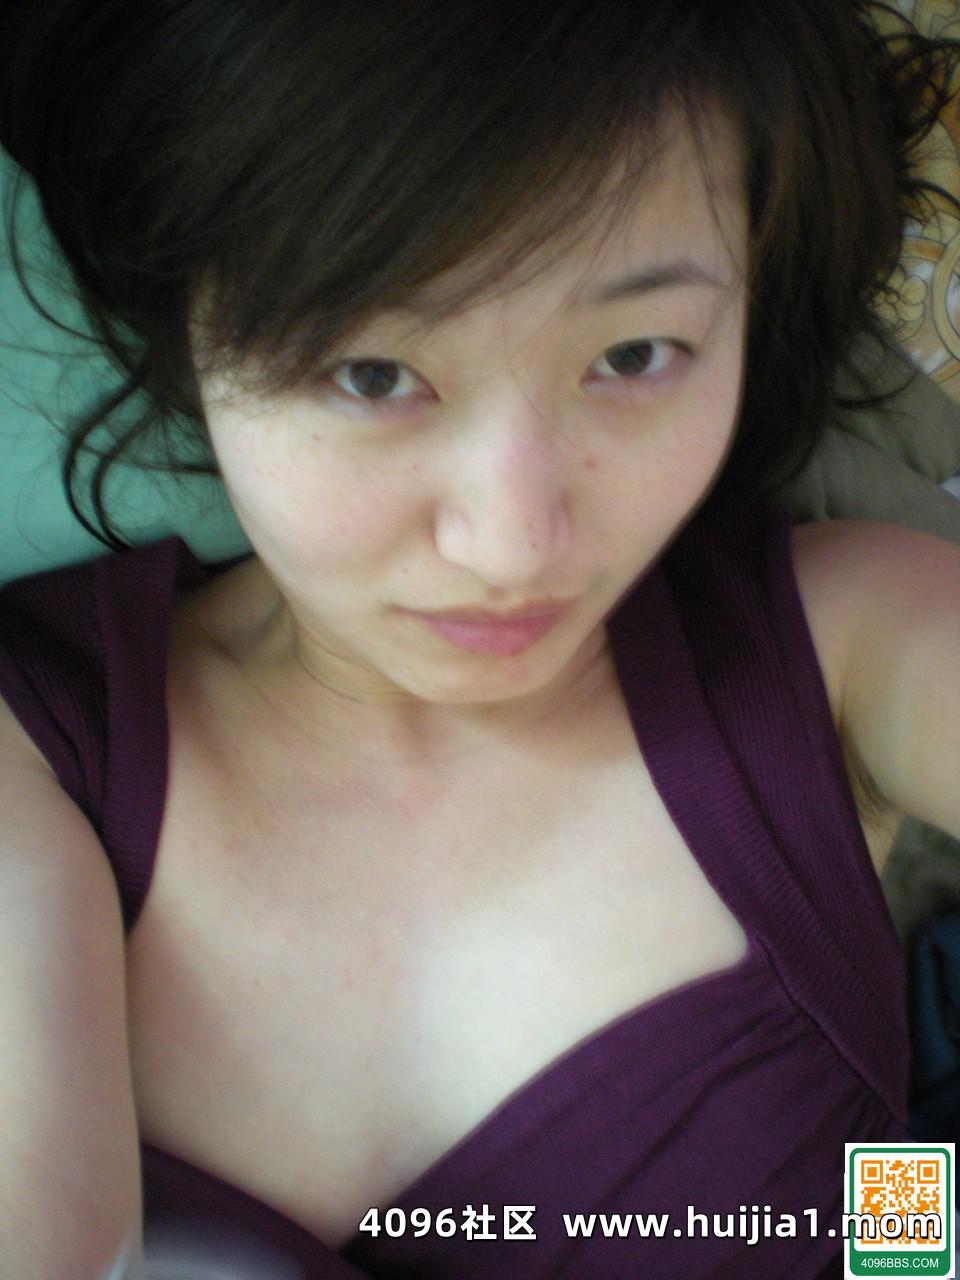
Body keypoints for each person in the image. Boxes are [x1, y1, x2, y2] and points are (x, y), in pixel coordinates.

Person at [1, 2, 959, 1277]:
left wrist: (915, 1242)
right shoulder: (32, 742)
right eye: (372, 373)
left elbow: (906, 1231)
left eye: (635, 353)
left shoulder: (849, 636)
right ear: (183, 314)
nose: (514, 543)